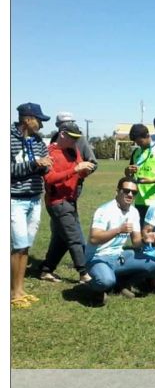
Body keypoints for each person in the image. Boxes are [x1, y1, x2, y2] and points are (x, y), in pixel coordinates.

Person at [85, 178, 155, 306]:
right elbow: (94, 238)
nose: (130, 195)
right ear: (117, 191)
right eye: (126, 191)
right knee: (105, 281)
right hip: (97, 257)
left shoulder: (133, 212)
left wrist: (146, 240)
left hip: (119, 255)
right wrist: (118, 230)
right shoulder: (104, 210)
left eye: (134, 192)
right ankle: (95, 288)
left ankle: (121, 284)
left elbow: (136, 243)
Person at [39, 121, 96, 284]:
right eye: (72, 138)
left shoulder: (73, 150)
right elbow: (49, 179)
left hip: (71, 200)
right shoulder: (50, 153)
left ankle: (46, 270)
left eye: (77, 138)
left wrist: (84, 171)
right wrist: (75, 169)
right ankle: (84, 273)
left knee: (61, 239)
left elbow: (79, 174)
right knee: (75, 237)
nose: (75, 141)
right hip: (57, 201)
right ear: (62, 134)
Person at [10, 103, 53, 308]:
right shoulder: (9, 139)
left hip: (35, 199)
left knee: (25, 246)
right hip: (15, 199)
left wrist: (45, 166)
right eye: (39, 120)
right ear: (27, 119)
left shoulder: (38, 141)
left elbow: (44, 166)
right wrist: (34, 164)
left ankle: (20, 289)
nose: (42, 126)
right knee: (18, 245)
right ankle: (12, 292)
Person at [125, 123, 155, 226]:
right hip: (139, 201)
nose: (138, 144)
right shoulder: (136, 152)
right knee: (142, 234)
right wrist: (128, 171)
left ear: (147, 135)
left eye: (140, 141)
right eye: (136, 142)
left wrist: (151, 180)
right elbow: (129, 177)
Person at [55, 112, 98, 197]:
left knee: (68, 208)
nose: (68, 125)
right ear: (58, 125)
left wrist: (81, 174)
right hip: (56, 186)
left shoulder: (80, 139)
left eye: (70, 122)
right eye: (64, 123)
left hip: (73, 186)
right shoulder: (54, 138)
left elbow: (93, 163)